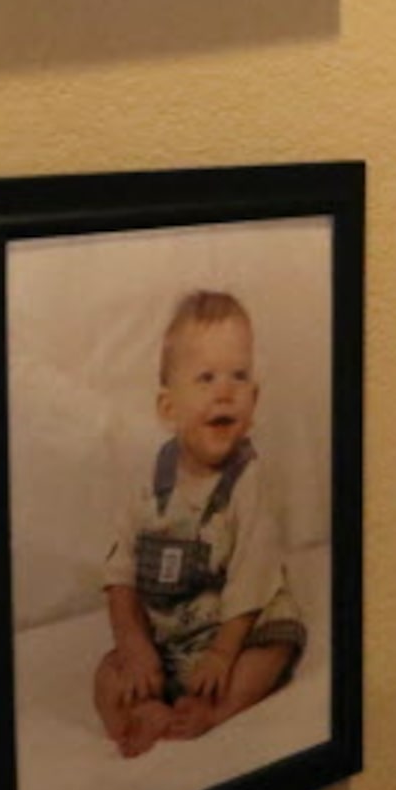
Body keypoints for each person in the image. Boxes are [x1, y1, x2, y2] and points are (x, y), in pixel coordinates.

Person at [95, 290, 308, 758]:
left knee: (274, 653)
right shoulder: (149, 487)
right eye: (206, 377)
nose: (225, 390)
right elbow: (120, 576)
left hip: (236, 631)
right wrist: (134, 648)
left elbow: (251, 580)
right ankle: (142, 713)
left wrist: (221, 655)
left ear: (255, 398)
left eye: (239, 376)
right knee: (106, 676)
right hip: (168, 637)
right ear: (169, 408)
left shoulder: (249, 483)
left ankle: (216, 710)